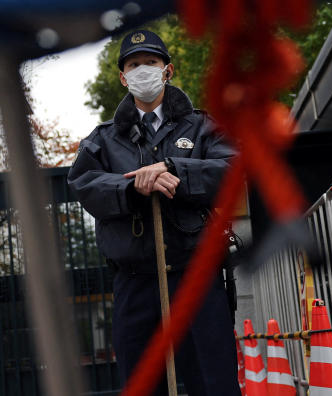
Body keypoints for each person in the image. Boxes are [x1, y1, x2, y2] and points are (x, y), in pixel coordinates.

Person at [67, 29, 241, 396]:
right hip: (135, 280)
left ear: (168, 70)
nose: (142, 70)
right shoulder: (102, 140)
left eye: (151, 62)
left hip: (196, 276)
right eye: (134, 64)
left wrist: (174, 170)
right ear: (122, 77)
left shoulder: (203, 126)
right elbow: (83, 184)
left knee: (215, 382)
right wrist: (130, 187)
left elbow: (232, 170)